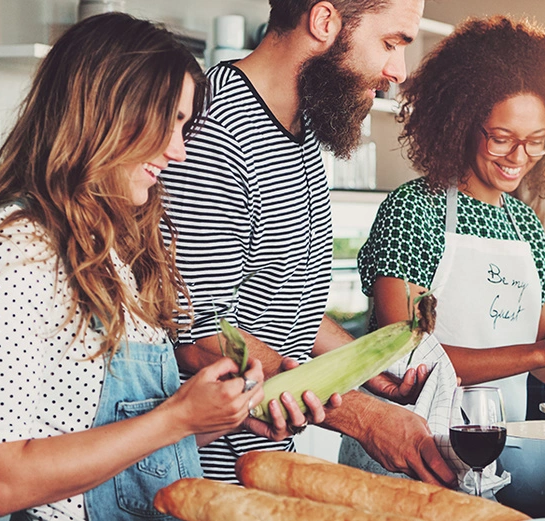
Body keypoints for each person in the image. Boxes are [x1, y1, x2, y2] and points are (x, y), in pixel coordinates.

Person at [0, 14, 318, 520]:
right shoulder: (11, 249)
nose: (178, 151)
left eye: (184, 126)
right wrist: (178, 417)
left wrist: (225, 413)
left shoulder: (116, 250)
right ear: (106, 112)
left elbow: (131, 433)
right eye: (169, 122)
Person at [158, 0, 457, 486]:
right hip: (198, 482)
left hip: (263, 471)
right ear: (324, 22)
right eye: (390, 42)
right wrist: (366, 418)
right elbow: (198, 336)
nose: (398, 71)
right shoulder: (214, 131)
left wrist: (359, 366)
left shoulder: (304, 131)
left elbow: (282, 298)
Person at [356, 15, 545, 430]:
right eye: (502, 137)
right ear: (462, 123)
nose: (518, 157)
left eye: (536, 140)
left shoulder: (525, 225)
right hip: (401, 451)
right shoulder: (413, 210)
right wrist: (544, 351)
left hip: (495, 449)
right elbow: (403, 359)